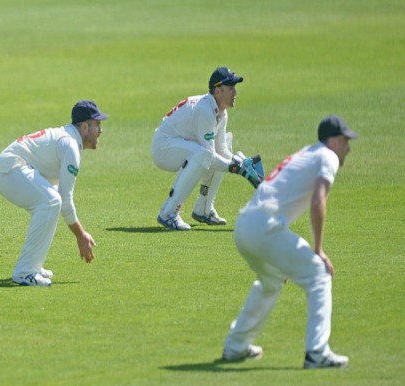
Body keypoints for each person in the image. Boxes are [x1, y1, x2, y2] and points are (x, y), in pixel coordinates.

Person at [222, 115, 357, 369]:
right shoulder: (327, 156)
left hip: (245, 226)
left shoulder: (309, 153)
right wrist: (318, 251)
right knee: (319, 274)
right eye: (345, 141)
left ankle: (235, 345)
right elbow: (318, 201)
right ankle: (316, 352)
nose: (348, 147)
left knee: (271, 282)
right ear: (334, 141)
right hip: (264, 227)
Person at [0, 101, 108, 286]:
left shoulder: (69, 140)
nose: (101, 130)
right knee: (52, 201)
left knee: (52, 202)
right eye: (98, 125)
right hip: (11, 168)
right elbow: (66, 198)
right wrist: (81, 235)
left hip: (12, 168)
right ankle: (24, 272)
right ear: (85, 127)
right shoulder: (70, 145)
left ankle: (33, 266)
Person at [152, 67, 260, 230]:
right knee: (201, 154)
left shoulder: (221, 113)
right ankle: (168, 213)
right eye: (231, 88)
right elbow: (208, 155)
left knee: (219, 149)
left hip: (179, 144)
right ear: (218, 91)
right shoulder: (204, 110)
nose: (235, 92)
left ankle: (204, 208)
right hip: (163, 148)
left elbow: (221, 150)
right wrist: (237, 169)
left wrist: (240, 163)